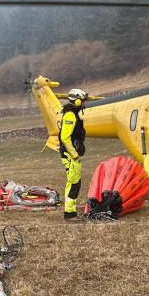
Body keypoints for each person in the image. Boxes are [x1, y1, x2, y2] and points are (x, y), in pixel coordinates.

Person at [59, 88, 89, 219]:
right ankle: (70, 214)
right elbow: (65, 137)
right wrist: (74, 154)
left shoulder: (73, 114)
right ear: (76, 101)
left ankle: (70, 211)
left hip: (72, 154)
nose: (84, 104)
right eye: (82, 101)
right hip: (70, 155)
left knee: (73, 182)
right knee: (74, 183)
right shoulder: (70, 115)